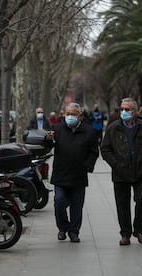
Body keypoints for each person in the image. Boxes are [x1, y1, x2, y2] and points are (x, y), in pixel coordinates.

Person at [100, 97, 142, 246]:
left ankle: (139, 231)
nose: (124, 112)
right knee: (122, 204)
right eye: (122, 109)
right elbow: (105, 149)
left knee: (141, 199)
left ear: (135, 111)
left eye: (127, 109)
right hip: (120, 173)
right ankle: (125, 233)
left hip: (141, 172)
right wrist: (116, 164)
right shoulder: (113, 128)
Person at [46, 102, 99, 243]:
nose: (69, 116)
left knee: (77, 205)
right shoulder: (57, 128)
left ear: (80, 116)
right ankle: (62, 228)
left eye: (73, 114)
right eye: (67, 114)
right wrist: (48, 139)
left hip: (79, 175)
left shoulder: (89, 131)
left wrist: (87, 166)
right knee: (59, 201)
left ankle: (74, 232)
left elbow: (94, 152)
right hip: (60, 174)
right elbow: (47, 145)